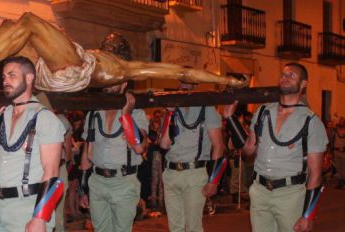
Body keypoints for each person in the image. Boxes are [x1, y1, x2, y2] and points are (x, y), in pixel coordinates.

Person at [0, 13, 249, 92]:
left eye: (112, 42)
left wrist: (227, 81)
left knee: (29, 22)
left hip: (70, 72)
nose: (110, 42)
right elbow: (180, 73)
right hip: (52, 74)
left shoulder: (125, 67)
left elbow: (180, 71)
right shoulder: (113, 65)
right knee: (12, 26)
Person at [224, 63, 328, 232]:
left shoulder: (312, 122)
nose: (285, 77)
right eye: (283, 74)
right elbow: (248, 149)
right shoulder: (263, 112)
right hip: (260, 192)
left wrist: (308, 215)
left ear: (303, 84)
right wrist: (230, 119)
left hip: (291, 195)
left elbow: (315, 174)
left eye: (292, 75)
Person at [0, 56, 66, 232]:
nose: (6, 81)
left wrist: (40, 217)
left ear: (29, 78)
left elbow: (52, 172)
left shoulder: (45, 118)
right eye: (3, 77)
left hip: (27, 206)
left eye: (12, 75)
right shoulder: (1, 116)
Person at [77, 82, 149, 232]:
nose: (107, 82)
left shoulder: (136, 113)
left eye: (112, 80)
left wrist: (126, 115)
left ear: (123, 84)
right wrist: (83, 190)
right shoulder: (93, 114)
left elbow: (139, 147)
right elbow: (86, 153)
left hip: (124, 182)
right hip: (97, 182)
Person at [158, 81, 226, 232]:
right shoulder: (171, 107)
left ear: (194, 84)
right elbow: (164, 144)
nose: (185, 85)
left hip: (194, 173)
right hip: (171, 173)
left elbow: (218, 145)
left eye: (189, 82)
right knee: (175, 227)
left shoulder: (206, 108)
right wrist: (169, 113)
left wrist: (213, 181)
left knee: (193, 227)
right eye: (182, 81)